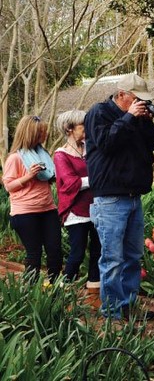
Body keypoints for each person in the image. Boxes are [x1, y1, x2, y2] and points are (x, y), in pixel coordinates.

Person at [85, 73, 154, 318]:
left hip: (133, 197)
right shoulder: (99, 113)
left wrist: (146, 121)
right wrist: (129, 118)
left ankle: (128, 306)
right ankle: (112, 311)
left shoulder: (137, 118)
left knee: (132, 257)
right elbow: (107, 143)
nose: (142, 104)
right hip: (110, 199)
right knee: (113, 259)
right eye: (138, 99)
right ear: (121, 96)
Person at [2, 115, 61, 282]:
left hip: (48, 209)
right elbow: (9, 186)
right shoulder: (15, 158)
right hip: (25, 213)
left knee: (55, 252)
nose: (45, 135)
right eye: (41, 132)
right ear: (31, 133)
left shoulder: (43, 155)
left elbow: (47, 180)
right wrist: (29, 176)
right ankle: (30, 295)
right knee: (34, 255)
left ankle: (55, 292)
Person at [54, 110, 100, 288]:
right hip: (75, 210)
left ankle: (94, 285)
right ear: (69, 129)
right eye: (83, 127)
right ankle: (64, 287)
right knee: (78, 251)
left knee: (98, 249)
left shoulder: (90, 148)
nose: (87, 130)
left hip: (95, 207)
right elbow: (71, 183)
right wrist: (96, 180)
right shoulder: (61, 155)